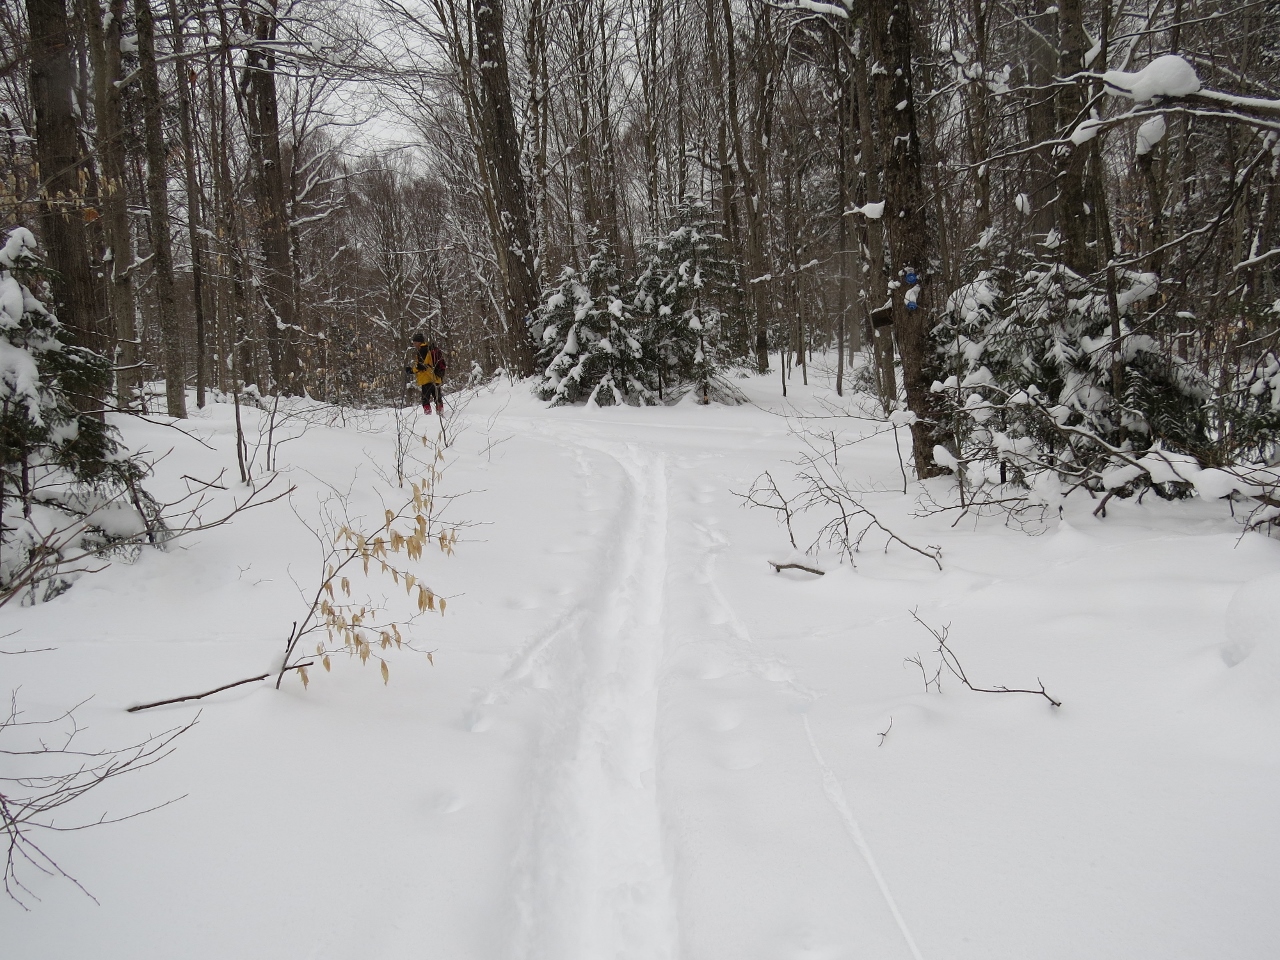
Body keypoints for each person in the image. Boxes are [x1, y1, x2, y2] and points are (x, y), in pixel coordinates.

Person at [406, 332, 447, 415]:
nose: (414, 344)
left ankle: (427, 414)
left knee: (425, 399)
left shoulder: (423, 350)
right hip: (436, 377)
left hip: (427, 378)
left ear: (420, 342)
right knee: (437, 397)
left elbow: (421, 366)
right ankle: (440, 412)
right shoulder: (430, 349)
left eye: (415, 342)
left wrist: (411, 370)